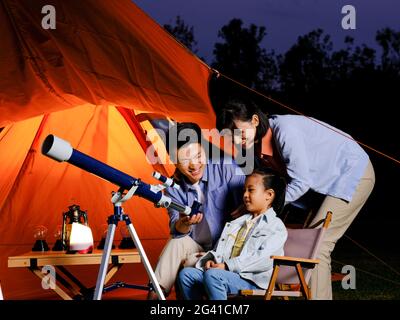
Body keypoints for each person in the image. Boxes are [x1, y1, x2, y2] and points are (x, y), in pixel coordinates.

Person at [216, 98, 375, 300]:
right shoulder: (257, 149)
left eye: (239, 133)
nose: (237, 141)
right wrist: (248, 206)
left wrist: (266, 206)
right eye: (231, 138)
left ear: (255, 120)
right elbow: (271, 188)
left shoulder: (285, 130)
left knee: (318, 247)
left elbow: (300, 181)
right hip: (321, 185)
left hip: (352, 172)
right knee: (300, 246)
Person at [147, 122, 246, 299]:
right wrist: (183, 224)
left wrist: (217, 253)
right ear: (174, 162)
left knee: (190, 261)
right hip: (196, 247)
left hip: (228, 248)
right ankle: (155, 296)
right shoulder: (172, 188)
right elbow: (176, 230)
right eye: (185, 161)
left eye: (198, 155)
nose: (194, 165)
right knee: (176, 242)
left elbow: (249, 217)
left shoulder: (227, 167)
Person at [177, 168, 288, 300]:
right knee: (187, 274)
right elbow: (221, 251)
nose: (245, 195)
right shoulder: (236, 223)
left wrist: (227, 266)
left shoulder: (276, 226)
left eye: (251, 190)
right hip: (227, 274)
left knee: (213, 276)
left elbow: (265, 259)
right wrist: (212, 260)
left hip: (252, 281)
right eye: (244, 190)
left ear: (269, 195)